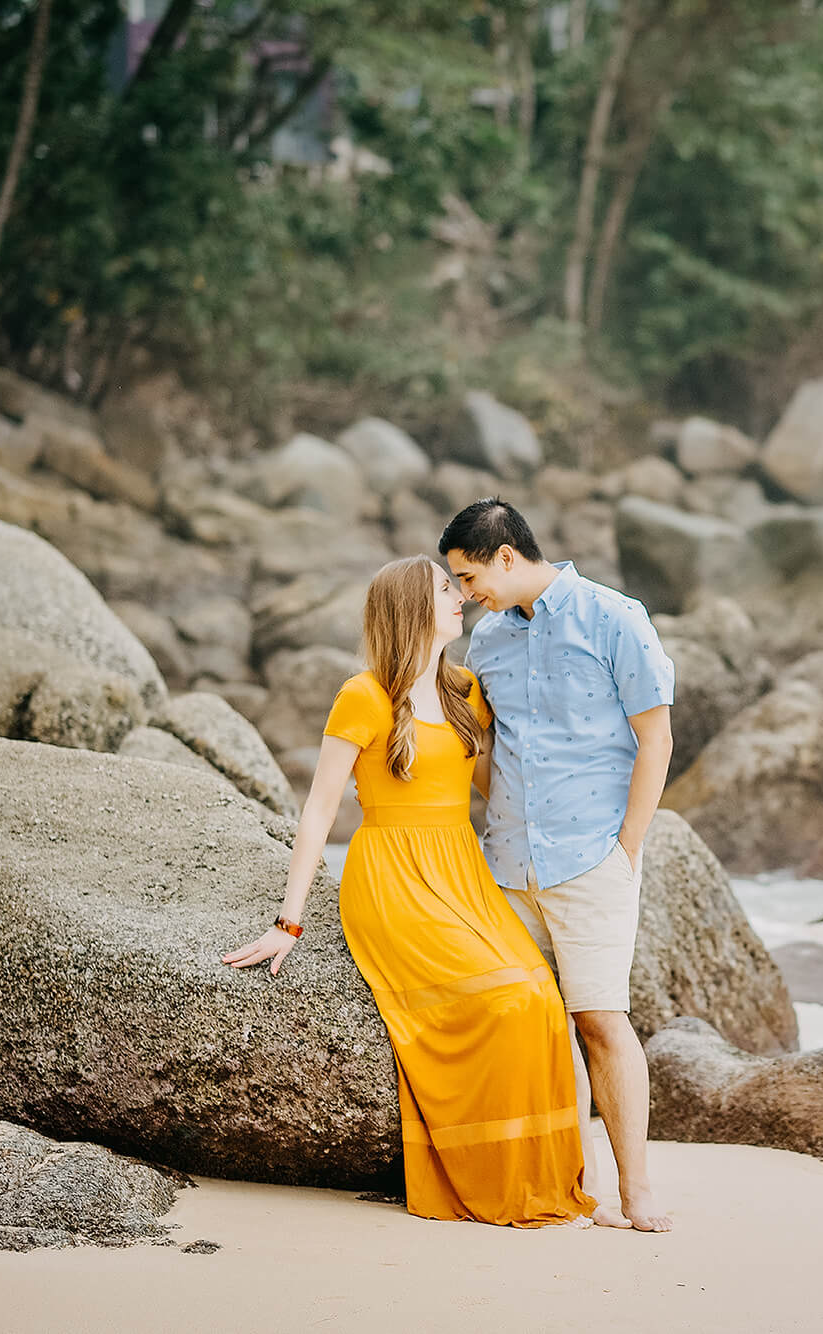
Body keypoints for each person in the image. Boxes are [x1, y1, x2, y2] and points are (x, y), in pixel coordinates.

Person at [222, 554, 622, 1229]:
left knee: (540, 999)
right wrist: (287, 924)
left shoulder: (467, 688)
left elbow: (523, 760)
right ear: (411, 609)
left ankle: (561, 1185)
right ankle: (498, 1179)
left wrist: (585, 824)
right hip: (393, 877)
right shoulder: (365, 694)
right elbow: (318, 811)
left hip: (462, 871)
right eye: (446, 589)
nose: (461, 597)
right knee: (507, 1001)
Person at [439, 498, 677, 1233]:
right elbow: (485, 747)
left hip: (591, 860)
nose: (464, 592)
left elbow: (656, 738)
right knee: (533, 1025)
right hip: (508, 864)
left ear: (507, 557)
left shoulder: (615, 617)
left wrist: (627, 846)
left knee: (601, 1021)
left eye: (469, 575)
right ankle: (574, 1185)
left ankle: (637, 1191)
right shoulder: (486, 643)